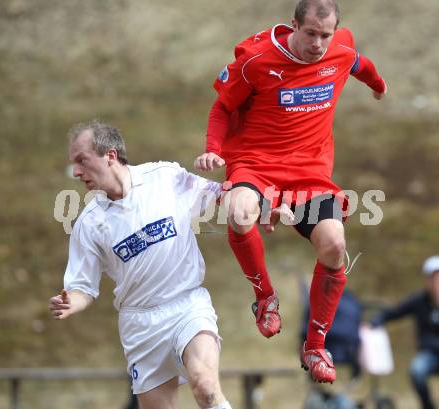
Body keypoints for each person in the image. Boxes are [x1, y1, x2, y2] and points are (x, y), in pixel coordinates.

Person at [194, 0, 387, 383]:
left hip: (309, 172)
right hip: (257, 163)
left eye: (325, 35)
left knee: (334, 243)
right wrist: (213, 150)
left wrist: (379, 86)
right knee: (239, 211)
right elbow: (221, 108)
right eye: (311, 33)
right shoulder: (256, 60)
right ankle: (265, 297)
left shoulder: (341, 50)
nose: (317, 43)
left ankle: (315, 345)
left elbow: (361, 65)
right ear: (294, 26)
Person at [48, 120, 233, 409]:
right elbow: (83, 286)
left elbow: (222, 194)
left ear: (110, 156)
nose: (76, 172)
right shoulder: (89, 222)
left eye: (82, 160)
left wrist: (265, 206)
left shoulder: (164, 178)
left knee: (206, 388)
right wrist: (71, 300)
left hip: (187, 305)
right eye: (74, 163)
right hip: (140, 323)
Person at [370, 256, 439, 409]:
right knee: (417, 370)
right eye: (433, 278)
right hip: (430, 355)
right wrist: (378, 320)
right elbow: (396, 312)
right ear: (427, 280)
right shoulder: (419, 301)